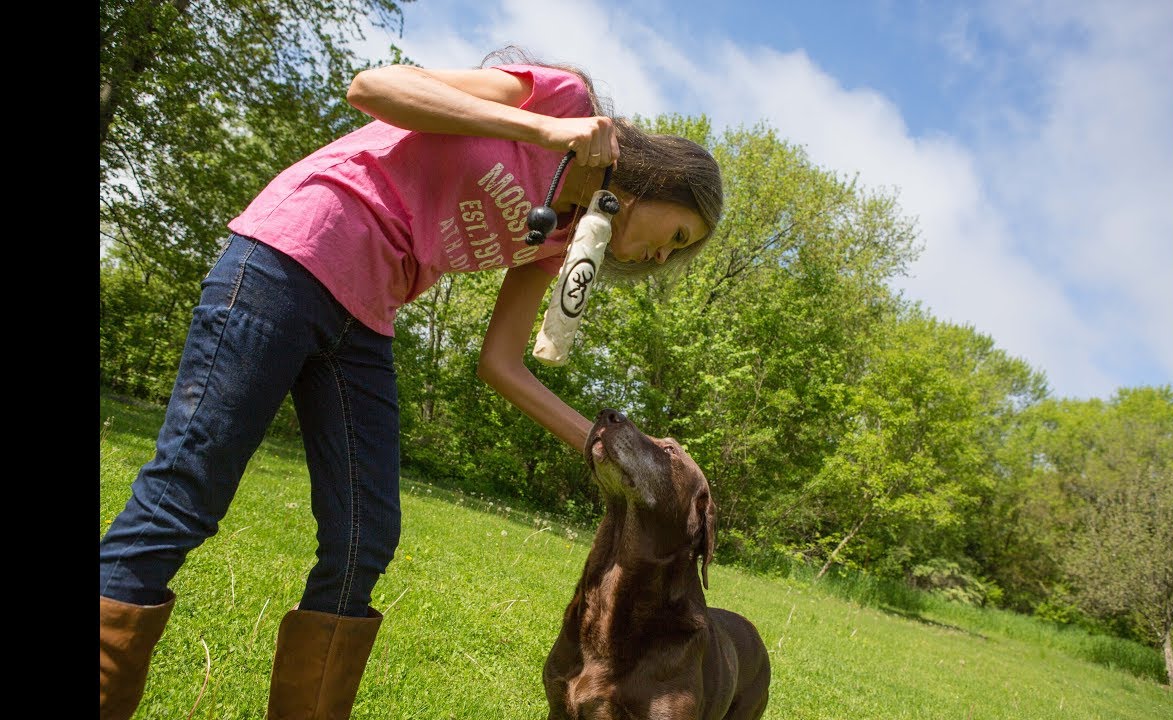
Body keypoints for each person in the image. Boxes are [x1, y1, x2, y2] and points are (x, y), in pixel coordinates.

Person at [98, 46, 723, 719]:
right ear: (665, 180)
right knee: (185, 494)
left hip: (367, 312)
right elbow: (374, 87)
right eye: (677, 233)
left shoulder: (562, 238)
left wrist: (616, 451)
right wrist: (544, 129)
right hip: (290, 256)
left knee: (364, 536)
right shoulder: (561, 100)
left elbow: (501, 363)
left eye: (676, 252)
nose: (663, 254)